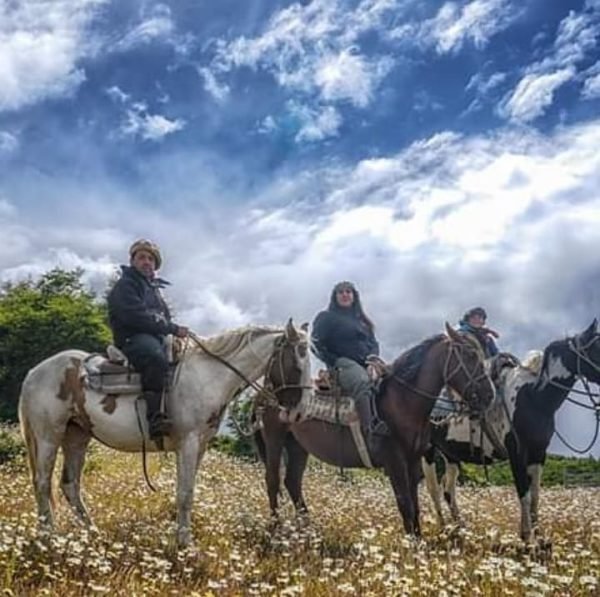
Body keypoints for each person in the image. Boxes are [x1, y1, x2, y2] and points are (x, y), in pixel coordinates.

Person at [107, 239, 188, 442]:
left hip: (155, 336)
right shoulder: (126, 285)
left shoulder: (153, 290)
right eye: (141, 257)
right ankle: (155, 419)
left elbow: (163, 318)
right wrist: (173, 329)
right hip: (133, 337)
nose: (147, 262)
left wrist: (173, 332)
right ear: (132, 261)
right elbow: (137, 316)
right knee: (155, 358)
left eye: (151, 259)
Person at [311, 281, 382, 451]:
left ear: (354, 296)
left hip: (367, 362)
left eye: (348, 292)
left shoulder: (363, 322)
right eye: (340, 292)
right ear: (335, 297)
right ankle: (369, 432)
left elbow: (373, 343)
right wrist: (333, 361)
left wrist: (373, 360)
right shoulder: (326, 317)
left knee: (393, 380)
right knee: (361, 381)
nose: (345, 295)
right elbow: (315, 344)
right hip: (342, 364)